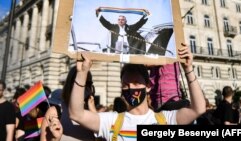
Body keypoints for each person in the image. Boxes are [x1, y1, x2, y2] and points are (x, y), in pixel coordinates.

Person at [67, 43, 205, 141]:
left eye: (137, 83)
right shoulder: (111, 122)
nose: (132, 88)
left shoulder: (166, 120)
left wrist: (188, 69)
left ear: (148, 86)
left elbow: (198, 109)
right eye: (126, 84)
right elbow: (76, 114)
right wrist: (82, 73)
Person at [40, 67, 96, 141]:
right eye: (77, 82)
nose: (81, 87)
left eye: (87, 82)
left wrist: (94, 113)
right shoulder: (55, 112)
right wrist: (55, 139)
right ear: (69, 85)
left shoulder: (94, 113)